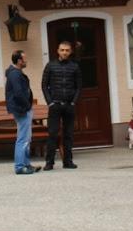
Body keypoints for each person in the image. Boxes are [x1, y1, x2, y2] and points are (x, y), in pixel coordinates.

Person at [41, 40, 83, 170]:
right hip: (55, 105)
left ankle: (68, 161)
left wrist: (73, 102)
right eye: (62, 50)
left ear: (70, 52)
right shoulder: (50, 65)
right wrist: (50, 102)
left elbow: (79, 87)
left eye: (67, 50)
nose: (64, 52)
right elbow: (44, 85)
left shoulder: (75, 66)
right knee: (52, 134)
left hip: (69, 105)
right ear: (58, 51)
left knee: (68, 134)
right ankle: (49, 162)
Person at [5, 49, 40, 175]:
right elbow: (19, 93)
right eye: (25, 58)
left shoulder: (16, 73)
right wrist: (27, 106)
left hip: (22, 108)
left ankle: (26, 164)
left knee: (26, 138)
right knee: (23, 139)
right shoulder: (15, 74)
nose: (26, 60)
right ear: (19, 61)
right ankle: (20, 167)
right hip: (21, 109)